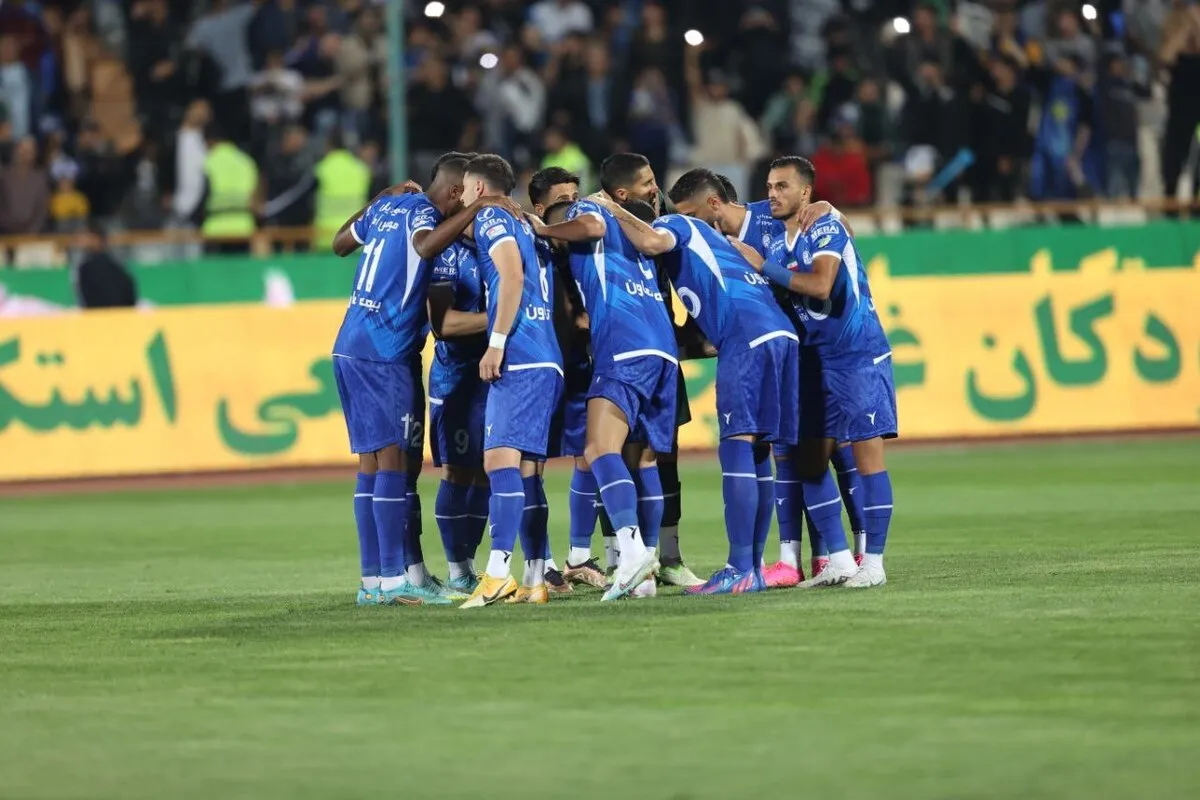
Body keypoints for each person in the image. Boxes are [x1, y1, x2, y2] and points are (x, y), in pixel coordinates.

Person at [596, 182, 800, 595]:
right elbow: (702, 338)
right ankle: (752, 569)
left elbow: (651, 240)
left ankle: (739, 567)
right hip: (779, 335)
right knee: (758, 451)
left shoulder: (677, 225)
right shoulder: (714, 245)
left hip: (746, 337)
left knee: (737, 448)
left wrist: (609, 209)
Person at [330, 154, 515, 606]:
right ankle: (395, 582)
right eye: (465, 196)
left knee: (372, 465)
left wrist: (378, 197)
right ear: (454, 192)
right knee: (394, 464)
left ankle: (373, 582)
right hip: (385, 349)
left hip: (350, 343)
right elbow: (426, 246)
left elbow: (339, 243)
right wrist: (480, 207)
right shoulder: (423, 213)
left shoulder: (388, 206)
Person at [727, 156, 896, 589]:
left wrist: (762, 265)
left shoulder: (823, 227)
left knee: (867, 458)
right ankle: (838, 560)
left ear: (806, 192)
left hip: (857, 356)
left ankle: (874, 563)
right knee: (810, 462)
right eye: (769, 186)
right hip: (814, 362)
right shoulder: (777, 240)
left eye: (782, 186)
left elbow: (821, 285)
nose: (772, 194)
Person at [534, 173, 680, 602]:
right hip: (663, 350)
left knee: (599, 449)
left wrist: (543, 229)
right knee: (646, 459)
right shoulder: (632, 239)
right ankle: (645, 577)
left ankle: (632, 554)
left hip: (623, 345)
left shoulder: (590, 213)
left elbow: (591, 225)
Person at [459, 154, 565, 608]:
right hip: (547, 355)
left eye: (466, 189)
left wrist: (497, 342)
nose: (462, 198)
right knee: (527, 471)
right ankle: (535, 579)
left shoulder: (492, 218)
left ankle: (498, 574)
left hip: (520, 354)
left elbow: (512, 275)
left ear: (479, 189)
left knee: (498, 461)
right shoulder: (524, 222)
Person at [596, 153, 704, 588]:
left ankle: (668, 557)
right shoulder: (605, 236)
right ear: (621, 195)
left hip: (660, 358)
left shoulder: (661, 235)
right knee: (617, 455)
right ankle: (619, 558)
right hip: (620, 355)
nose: (656, 190)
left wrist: (689, 339)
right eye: (647, 183)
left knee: (663, 456)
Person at [527, 166, 608, 589]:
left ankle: (578, 556)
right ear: (539, 208)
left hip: (578, 363)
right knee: (530, 462)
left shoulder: (581, 249)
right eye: (564, 200)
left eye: (577, 197)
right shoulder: (527, 245)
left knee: (589, 453)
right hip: (537, 365)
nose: (574, 206)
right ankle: (539, 563)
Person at [427, 157, 490, 597]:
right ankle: (457, 569)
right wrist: (501, 319)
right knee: (457, 472)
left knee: (489, 471)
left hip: (494, 374)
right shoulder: (445, 252)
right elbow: (443, 325)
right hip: (455, 377)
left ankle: (469, 564)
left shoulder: (490, 244)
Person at [73, 223, 137, 309]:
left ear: (96, 239)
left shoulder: (89, 267)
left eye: (86, 237)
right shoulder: (114, 263)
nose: (82, 241)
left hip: (100, 313)